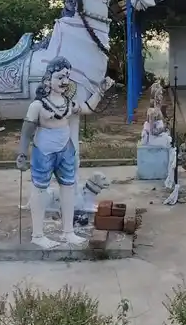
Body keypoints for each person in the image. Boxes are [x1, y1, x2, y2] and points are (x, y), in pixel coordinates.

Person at [16, 56, 114, 249]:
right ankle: (38, 234)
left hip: (65, 149)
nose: (64, 81)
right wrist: (22, 153)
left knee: (69, 189)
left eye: (67, 77)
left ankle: (68, 231)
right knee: (40, 190)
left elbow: (86, 108)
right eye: (60, 76)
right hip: (43, 151)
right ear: (48, 80)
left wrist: (100, 90)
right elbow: (26, 131)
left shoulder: (68, 103)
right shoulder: (38, 106)